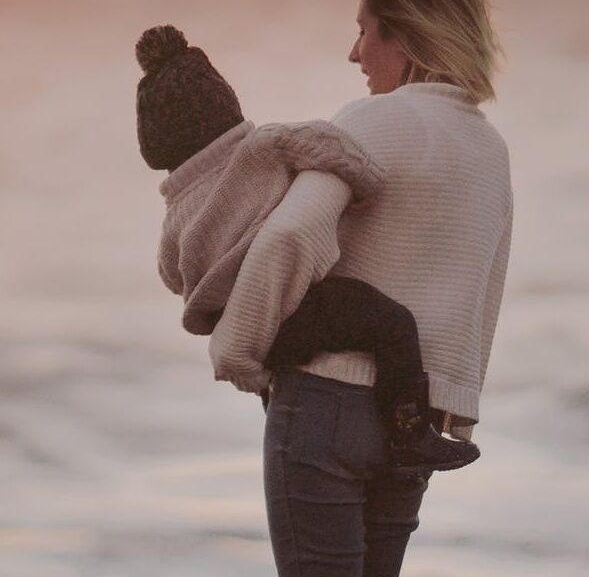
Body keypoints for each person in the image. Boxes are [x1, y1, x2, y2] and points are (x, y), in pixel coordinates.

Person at [209, 0, 515, 577]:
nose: (354, 54)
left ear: (404, 36)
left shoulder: (374, 119)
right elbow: (482, 295)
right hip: (413, 425)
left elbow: (291, 233)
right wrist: (454, 416)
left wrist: (239, 351)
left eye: (364, 32)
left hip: (328, 407)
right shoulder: (489, 148)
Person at [138, 25, 477, 472]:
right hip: (299, 303)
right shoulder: (264, 146)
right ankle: (408, 430)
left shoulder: (175, 216)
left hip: (246, 328)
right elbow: (328, 145)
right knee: (393, 325)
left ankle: (289, 435)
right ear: (225, 105)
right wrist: (365, 185)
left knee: (281, 396)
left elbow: (172, 276)